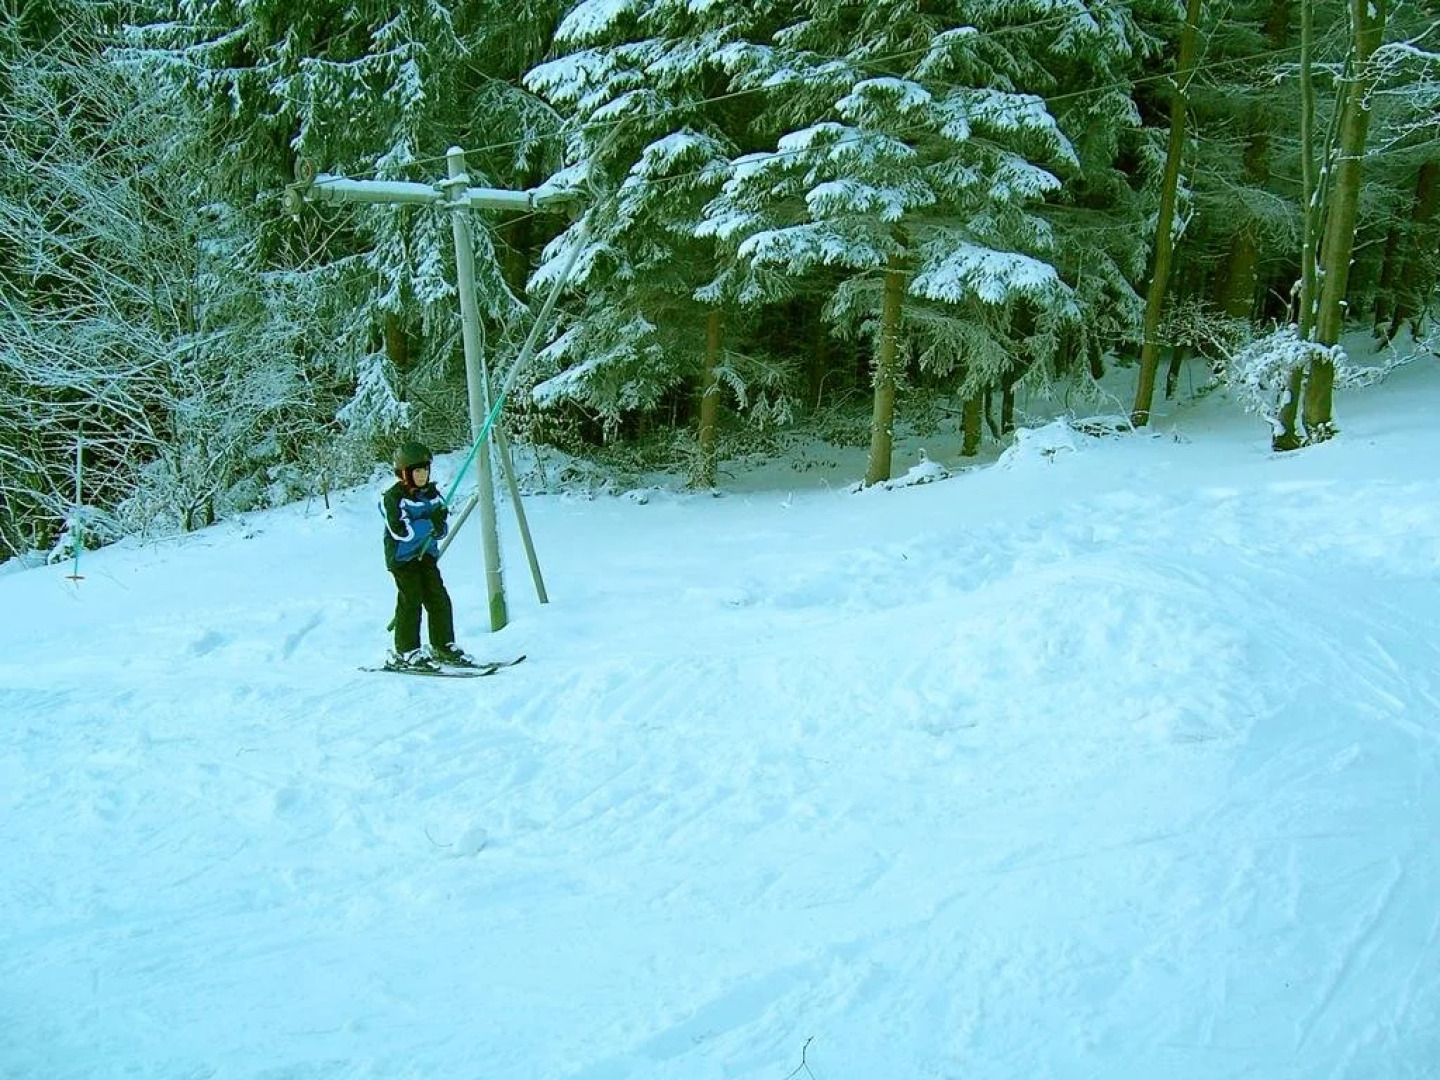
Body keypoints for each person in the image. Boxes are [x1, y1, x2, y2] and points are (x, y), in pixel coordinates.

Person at [380, 441, 475, 670]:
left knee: (438, 598)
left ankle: (443, 645)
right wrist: (430, 523)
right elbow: (402, 531)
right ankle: (406, 651)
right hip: (403, 558)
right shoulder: (393, 498)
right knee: (411, 600)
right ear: (404, 473)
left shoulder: (432, 495)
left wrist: (439, 524)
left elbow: (441, 531)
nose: (422, 475)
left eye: (425, 470)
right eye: (417, 471)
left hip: (426, 556)